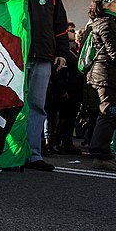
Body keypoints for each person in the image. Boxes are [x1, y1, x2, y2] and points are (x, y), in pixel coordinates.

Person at [0, 0, 68, 172]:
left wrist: (61, 53)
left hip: (43, 58)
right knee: (9, 104)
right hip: (14, 58)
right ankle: (7, 153)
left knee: (38, 106)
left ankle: (33, 155)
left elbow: (60, 25)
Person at [85, 0, 116, 171]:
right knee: (108, 113)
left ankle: (102, 154)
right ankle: (100, 156)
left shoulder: (113, 21)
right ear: (107, 4)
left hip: (111, 76)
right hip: (107, 77)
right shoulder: (106, 23)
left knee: (110, 115)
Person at [44, 22, 83, 155]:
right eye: (70, 32)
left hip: (72, 90)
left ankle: (64, 142)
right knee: (54, 118)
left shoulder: (72, 53)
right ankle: (52, 142)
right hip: (60, 90)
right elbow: (58, 73)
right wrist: (62, 90)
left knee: (67, 118)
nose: (72, 34)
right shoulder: (60, 53)